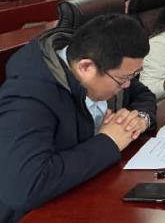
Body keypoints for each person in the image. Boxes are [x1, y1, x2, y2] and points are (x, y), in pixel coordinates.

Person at [0, 14, 156, 223]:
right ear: (86, 67)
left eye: (133, 76)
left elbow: (142, 94)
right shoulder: (28, 98)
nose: (127, 85)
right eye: (123, 79)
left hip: (87, 190)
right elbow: (24, 187)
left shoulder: (107, 64)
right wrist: (109, 141)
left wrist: (140, 119)